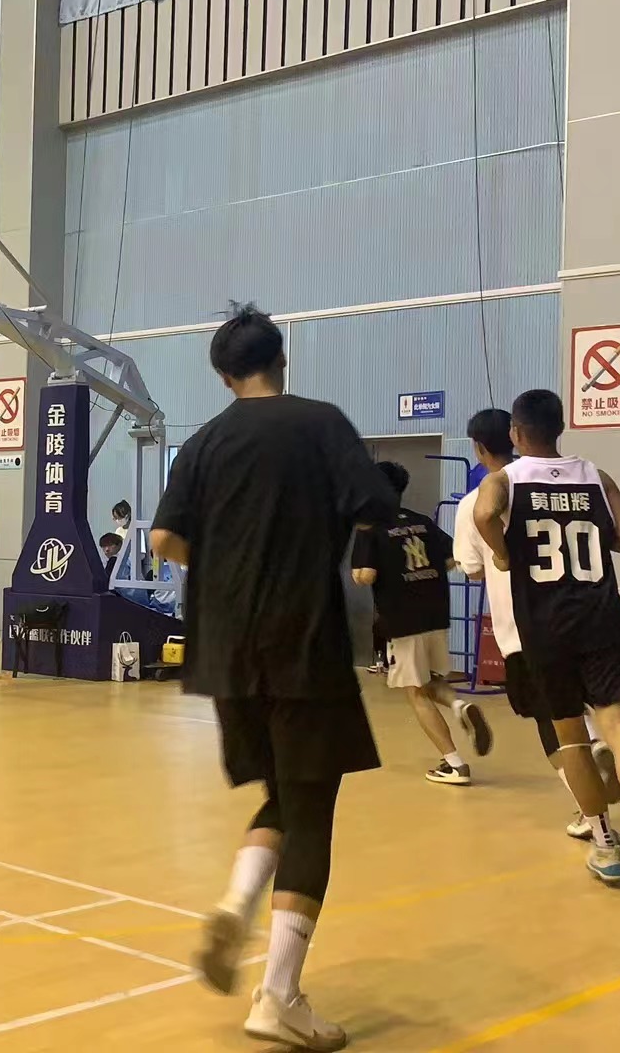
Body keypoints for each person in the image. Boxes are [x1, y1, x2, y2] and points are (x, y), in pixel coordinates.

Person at [152, 304, 396, 1051]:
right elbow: (376, 506)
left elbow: (164, 539)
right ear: (280, 360)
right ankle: (279, 997)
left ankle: (237, 901)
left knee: (282, 796)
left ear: (224, 375)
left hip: (225, 650)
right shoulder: (319, 423)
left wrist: (228, 567)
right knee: (312, 810)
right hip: (302, 642)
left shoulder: (203, 442)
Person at [472, 389, 620, 908]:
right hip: (602, 621)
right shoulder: (596, 477)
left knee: (573, 743)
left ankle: (606, 845)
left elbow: (485, 514)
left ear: (515, 433)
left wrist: (503, 553)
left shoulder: (505, 480)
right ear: (560, 428)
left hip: (547, 632)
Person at [454, 408, 620, 864]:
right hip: (583, 619)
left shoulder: (478, 501)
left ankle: (595, 821)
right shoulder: (567, 483)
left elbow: (472, 569)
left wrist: (500, 555)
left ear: (481, 447)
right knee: (592, 708)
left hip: (524, 630)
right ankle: (601, 746)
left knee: (554, 727)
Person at [351, 461, 492, 784]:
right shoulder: (423, 522)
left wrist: (359, 572)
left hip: (402, 620)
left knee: (416, 694)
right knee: (429, 681)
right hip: (436, 615)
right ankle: (459, 704)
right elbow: (452, 560)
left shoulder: (369, 529)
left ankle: (455, 764)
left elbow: (366, 575)